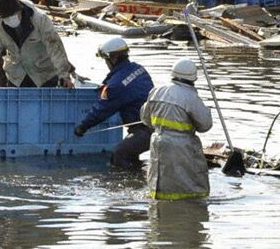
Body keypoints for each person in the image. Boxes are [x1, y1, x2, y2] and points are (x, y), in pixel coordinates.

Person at [73, 37, 154, 169]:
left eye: (106, 60)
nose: (106, 63)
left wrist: (82, 127)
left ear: (113, 59)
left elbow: (101, 110)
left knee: (119, 155)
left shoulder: (116, 86)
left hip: (145, 131)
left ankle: (129, 185)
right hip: (155, 126)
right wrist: (106, 86)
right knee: (130, 155)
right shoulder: (139, 69)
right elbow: (124, 83)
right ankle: (138, 176)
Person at [140, 59, 213, 200]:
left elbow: (145, 118)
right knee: (190, 183)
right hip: (182, 145)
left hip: (158, 141)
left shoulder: (156, 91)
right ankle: (187, 210)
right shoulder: (190, 97)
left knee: (159, 177)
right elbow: (205, 125)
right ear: (193, 79)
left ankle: (161, 211)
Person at [0, 0, 74, 88]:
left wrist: (64, 75)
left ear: (20, 10)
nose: (10, 20)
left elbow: (54, 47)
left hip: (44, 74)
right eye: (6, 18)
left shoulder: (40, 19)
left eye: (13, 16)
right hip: (16, 76)